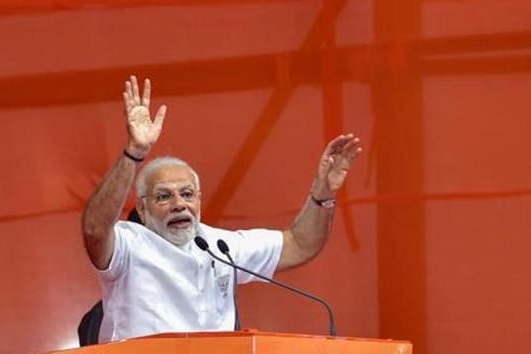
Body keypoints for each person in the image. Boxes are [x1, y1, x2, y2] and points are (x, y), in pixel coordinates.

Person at [81, 75, 362, 342]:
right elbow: (95, 229)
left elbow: (301, 243)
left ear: (199, 200)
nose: (179, 204)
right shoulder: (129, 245)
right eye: (164, 197)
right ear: (142, 210)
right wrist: (135, 153)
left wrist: (322, 194)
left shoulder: (219, 246)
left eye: (187, 194)